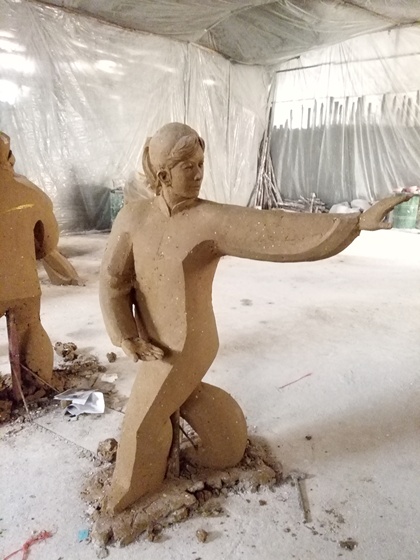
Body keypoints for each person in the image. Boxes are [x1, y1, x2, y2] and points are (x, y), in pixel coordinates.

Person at [99, 122, 408, 513]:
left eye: (201, 163)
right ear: (163, 175)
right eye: (188, 167)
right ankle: (227, 446)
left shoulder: (210, 220)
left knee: (143, 420)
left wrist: (354, 222)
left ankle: (130, 498)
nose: (199, 173)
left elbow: (276, 230)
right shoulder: (132, 218)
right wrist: (126, 335)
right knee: (179, 396)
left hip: (188, 343)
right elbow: (113, 281)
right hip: (151, 341)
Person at [0, 132, 60, 389]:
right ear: (10, 158)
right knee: (29, 327)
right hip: (23, 284)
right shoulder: (31, 193)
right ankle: (36, 381)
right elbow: (48, 243)